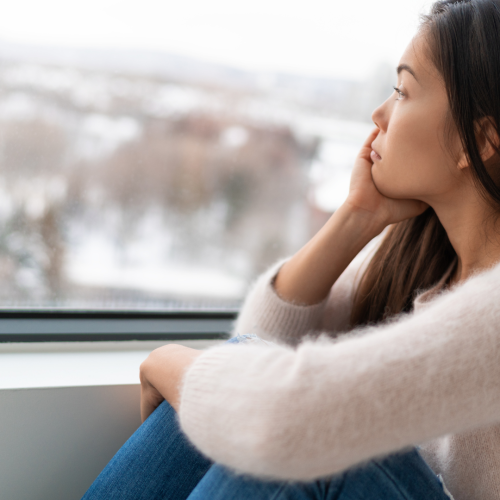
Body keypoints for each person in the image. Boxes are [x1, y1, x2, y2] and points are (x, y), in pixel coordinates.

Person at [82, 0, 500, 498]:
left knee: (308, 438)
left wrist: (169, 360)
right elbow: (260, 343)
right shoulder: (426, 255)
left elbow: (278, 417)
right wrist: (355, 218)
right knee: (236, 389)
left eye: (403, 91)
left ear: (478, 141)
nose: (379, 113)